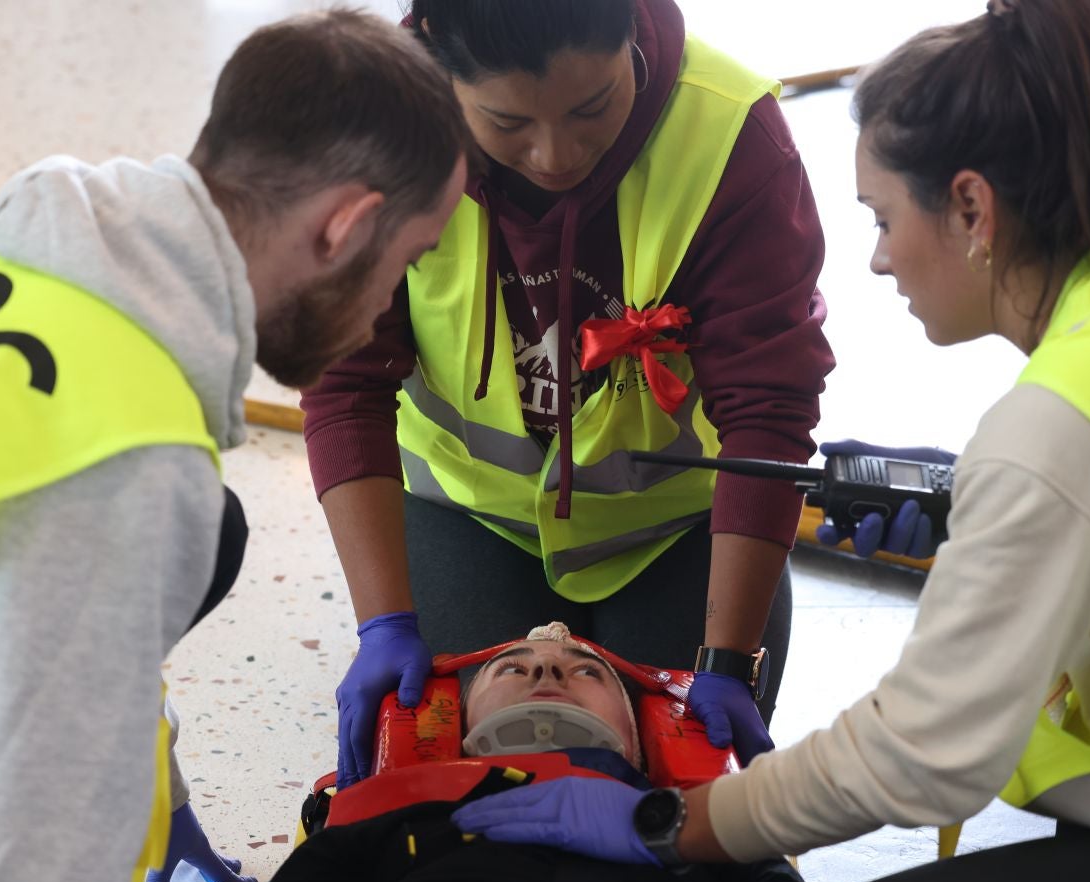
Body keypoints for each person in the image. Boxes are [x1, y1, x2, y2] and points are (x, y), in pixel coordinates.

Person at [448, 1, 1090, 882]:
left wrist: (670, 824)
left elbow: (926, 755)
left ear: (972, 208)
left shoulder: (1054, 428)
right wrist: (979, 516)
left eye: (883, 219)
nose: (879, 261)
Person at [0, 10, 470, 882]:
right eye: (408, 261)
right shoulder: (121, 463)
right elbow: (40, 867)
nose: (389, 305)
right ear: (346, 229)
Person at [301, 0, 835, 792]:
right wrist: (384, 622)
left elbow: (770, 407)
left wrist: (724, 659)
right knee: (474, 763)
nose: (556, 154)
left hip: (674, 528)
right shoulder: (373, 132)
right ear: (442, 75)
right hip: (472, 511)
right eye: (507, 120)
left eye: (593, 107)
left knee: (672, 779)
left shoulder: (730, 137)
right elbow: (346, 382)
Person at [261, 624, 812, 882]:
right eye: (513, 670)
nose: (547, 673)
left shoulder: (691, 828)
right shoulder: (395, 822)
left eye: (587, 671)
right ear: (462, 726)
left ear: (637, 744)